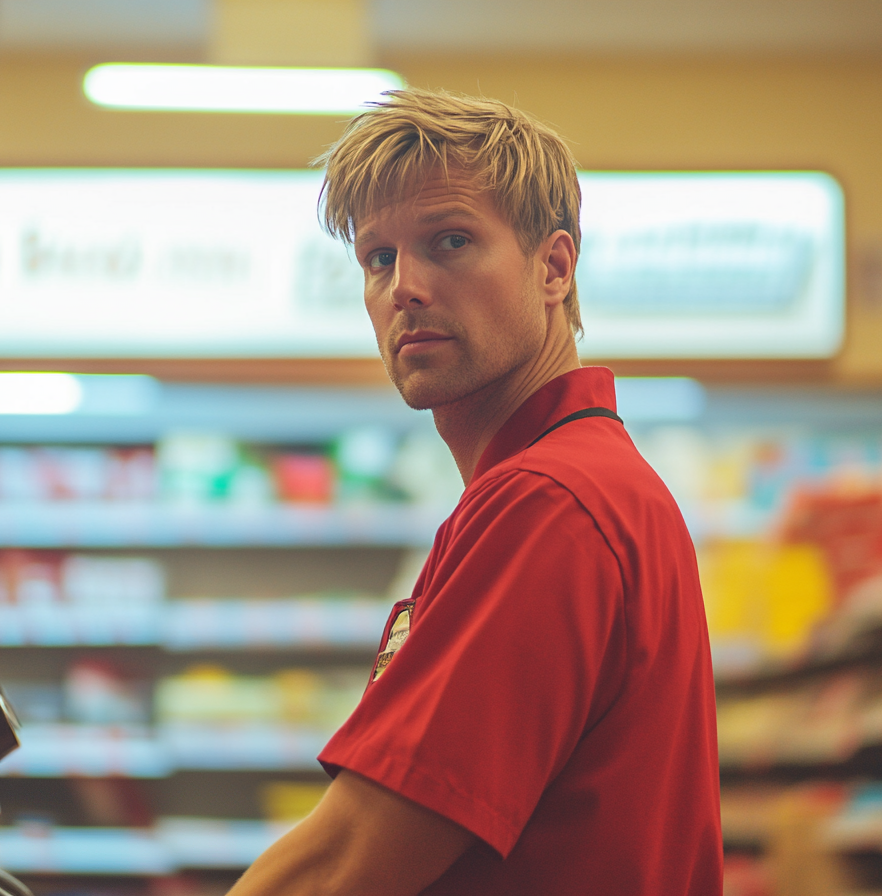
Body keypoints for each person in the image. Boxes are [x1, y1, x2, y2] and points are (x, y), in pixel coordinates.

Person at [227, 88, 721, 896]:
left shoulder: (549, 502)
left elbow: (350, 859)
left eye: (450, 241)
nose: (404, 287)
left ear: (554, 267)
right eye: (377, 257)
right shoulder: (581, 481)